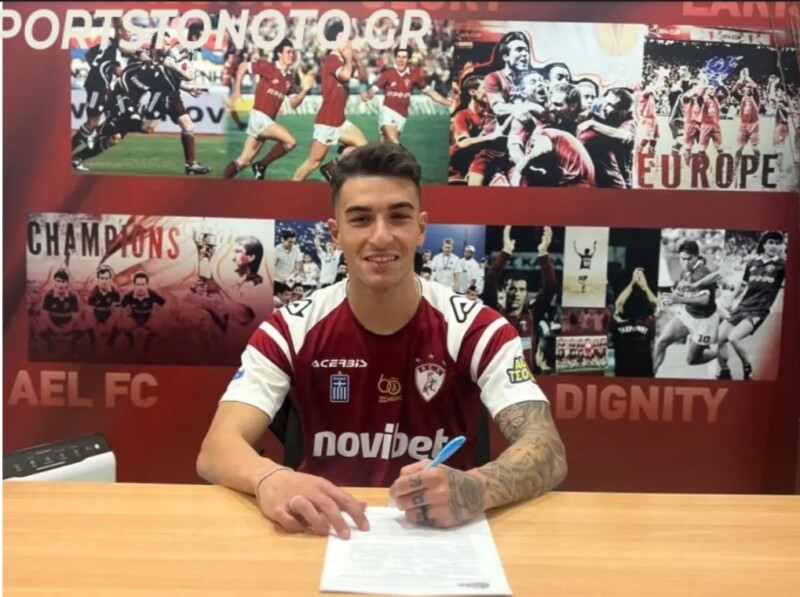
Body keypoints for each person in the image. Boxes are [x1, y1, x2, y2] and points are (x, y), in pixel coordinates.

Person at [196, 142, 567, 539]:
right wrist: (268, 477)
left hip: (441, 538)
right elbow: (217, 447)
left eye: (398, 217)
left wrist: (478, 487)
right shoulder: (289, 329)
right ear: (336, 234)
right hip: (323, 531)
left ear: (420, 229)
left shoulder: (478, 329)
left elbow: (546, 447)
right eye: (360, 219)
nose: (381, 236)